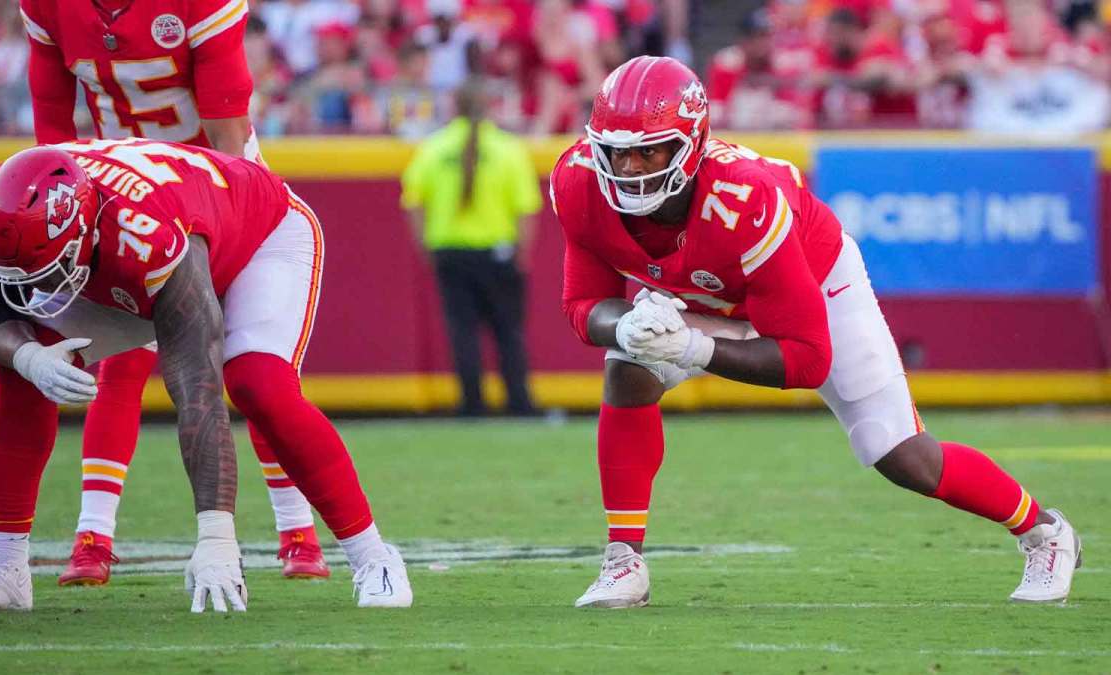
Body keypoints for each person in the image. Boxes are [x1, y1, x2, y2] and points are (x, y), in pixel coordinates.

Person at [551, 56, 1081, 609]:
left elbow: (806, 360)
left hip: (814, 283)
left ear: (692, 144)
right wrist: (627, 324)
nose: (630, 167)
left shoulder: (745, 199)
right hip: (705, 296)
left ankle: (1045, 532)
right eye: (617, 150)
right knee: (629, 365)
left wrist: (689, 346)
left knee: (902, 455)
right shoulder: (581, 181)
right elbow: (583, 304)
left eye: (649, 150)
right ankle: (623, 560)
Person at [0, 138, 413, 613]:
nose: (38, 285)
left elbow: (197, 385)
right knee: (21, 363)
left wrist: (216, 535)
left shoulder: (146, 233)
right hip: (129, 252)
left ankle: (374, 558)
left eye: (46, 268)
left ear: (82, 232)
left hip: (258, 235)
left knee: (256, 382)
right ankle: (2, 568)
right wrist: (29, 356)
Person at [20, 0, 329, 585]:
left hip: (217, 190)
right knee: (122, 363)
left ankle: (296, 529)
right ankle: (92, 536)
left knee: (255, 370)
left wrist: (216, 224)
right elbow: (52, 133)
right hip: (116, 193)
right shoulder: (51, 8)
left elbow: (228, 133)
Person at [401, 79, 542, 417]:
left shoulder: (434, 148)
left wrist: (426, 246)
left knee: (463, 332)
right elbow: (526, 208)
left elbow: (413, 202)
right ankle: (519, 403)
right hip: (498, 252)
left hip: (450, 252)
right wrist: (522, 253)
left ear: (455, 107)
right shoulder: (508, 149)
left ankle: (472, 405)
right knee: (508, 331)